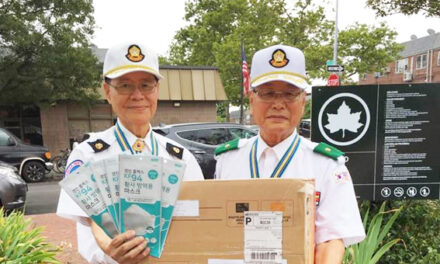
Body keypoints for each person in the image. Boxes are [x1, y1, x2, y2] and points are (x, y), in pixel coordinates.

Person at [215, 44, 365, 263]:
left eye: (289, 94)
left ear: (303, 101)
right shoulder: (228, 160)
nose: (278, 104)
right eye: (267, 93)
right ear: (252, 100)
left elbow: (331, 241)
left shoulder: (327, 165)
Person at [56, 41, 204, 264]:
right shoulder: (87, 156)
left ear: (157, 91)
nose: (137, 95)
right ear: (107, 91)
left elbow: (199, 218)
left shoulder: (181, 157)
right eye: (125, 86)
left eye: (146, 85)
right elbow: (89, 225)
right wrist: (110, 250)